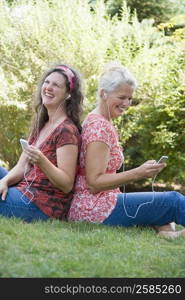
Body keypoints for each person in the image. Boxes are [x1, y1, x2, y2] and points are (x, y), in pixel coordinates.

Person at [68, 61, 185, 239]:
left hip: (95, 205)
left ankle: (167, 232)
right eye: (121, 97)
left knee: (158, 205)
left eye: (129, 98)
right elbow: (94, 182)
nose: (126, 103)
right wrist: (138, 173)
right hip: (95, 208)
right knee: (173, 201)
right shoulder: (99, 127)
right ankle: (168, 230)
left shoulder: (97, 121)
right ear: (103, 93)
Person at [0, 63, 83, 222]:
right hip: (25, 188)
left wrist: (42, 161)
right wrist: (4, 181)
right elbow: (21, 167)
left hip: (42, 205)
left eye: (56, 85)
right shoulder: (42, 124)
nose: (48, 87)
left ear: (68, 95)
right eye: (47, 82)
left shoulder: (66, 130)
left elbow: (66, 184)